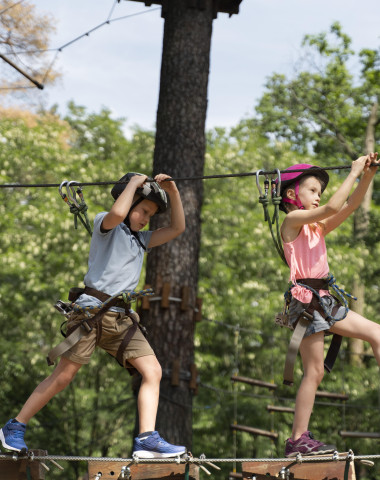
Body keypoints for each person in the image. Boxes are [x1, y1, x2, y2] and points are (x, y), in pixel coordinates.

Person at [0, 172, 187, 459]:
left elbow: (177, 228)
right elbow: (117, 212)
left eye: (150, 215)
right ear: (130, 199)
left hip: (121, 320)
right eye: (143, 210)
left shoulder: (142, 240)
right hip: (90, 314)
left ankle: (146, 438)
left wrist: (173, 191)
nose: (146, 219)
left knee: (153, 371)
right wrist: (136, 183)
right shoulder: (106, 224)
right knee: (64, 376)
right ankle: (14, 426)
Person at [278, 153, 380, 457]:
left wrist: (367, 176)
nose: (318, 197)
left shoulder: (316, 228)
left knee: (377, 333)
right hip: (307, 303)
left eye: (319, 193)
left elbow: (347, 206)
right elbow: (335, 205)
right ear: (291, 195)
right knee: (314, 372)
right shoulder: (292, 221)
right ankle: (297, 438)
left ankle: (299, 436)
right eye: (312, 191)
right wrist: (352, 171)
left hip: (325, 300)